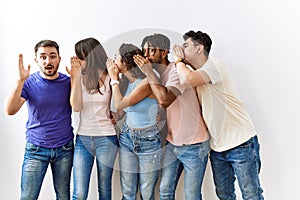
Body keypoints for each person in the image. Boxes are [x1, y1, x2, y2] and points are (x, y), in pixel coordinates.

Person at [172, 30, 264, 200]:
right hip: (217, 147)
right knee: (224, 194)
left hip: (241, 143)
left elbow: (190, 79)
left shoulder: (215, 66)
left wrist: (178, 60)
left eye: (186, 46)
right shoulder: (196, 73)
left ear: (199, 48)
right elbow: (184, 81)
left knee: (251, 194)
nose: (181, 49)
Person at [134, 33, 210, 200]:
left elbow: (165, 100)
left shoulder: (177, 71)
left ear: (164, 52)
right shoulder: (158, 75)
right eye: (145, 51)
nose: (147, 56)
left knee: (192, 195)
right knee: (165, 191)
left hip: (194, 145)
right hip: (172, 142)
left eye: (151, 51)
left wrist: (148, 73)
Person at [4, 40, 74, 199]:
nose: (48, 61)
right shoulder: (28, 83)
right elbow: (9, 110)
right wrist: (20, 81)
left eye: (52, 56)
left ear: (59, 59)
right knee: (28, 196)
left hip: (65, 149)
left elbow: (79, 105)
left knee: (63, 196)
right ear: (36, 60)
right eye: (43, 57)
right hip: (36, 149)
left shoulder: (68, 82)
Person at [106, 43, 161, 200]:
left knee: (146, 192)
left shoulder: (146, 82)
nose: (113, 60)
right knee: (128, 191)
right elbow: (123, 109)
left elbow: (121, 103)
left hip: (148, 140)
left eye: (116, 57)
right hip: (127, 138)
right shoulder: (128, 83)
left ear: (125, 61)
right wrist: (117, 116)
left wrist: (114, 79)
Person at [66, 37, 118, 200]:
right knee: (79, 193)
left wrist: (115, 77)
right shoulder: (78, 76)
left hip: (107, 138)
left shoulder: (110, 75)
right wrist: (75, 77)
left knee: (104, 189)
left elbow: (119, 105)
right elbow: (76, 107)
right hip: (84, 138)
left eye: (81, 58)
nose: (79, 61)